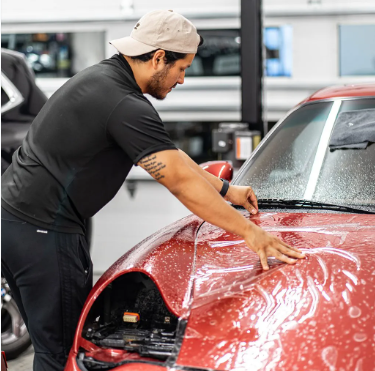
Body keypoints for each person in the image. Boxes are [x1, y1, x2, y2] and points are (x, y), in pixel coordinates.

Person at [1, 9, 305, 371]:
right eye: (182, 68)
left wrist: (227, 189)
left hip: (15, 223)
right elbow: (178, 181)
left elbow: (172, 158)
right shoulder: (124, 105)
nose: (182, 80)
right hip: (44, 233)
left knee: (46, 341)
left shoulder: (103, 81)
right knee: (62, 351)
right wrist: (251, 234)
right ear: (159, 57)